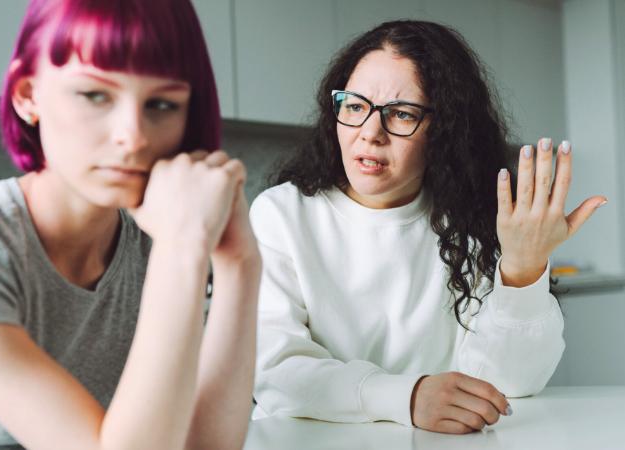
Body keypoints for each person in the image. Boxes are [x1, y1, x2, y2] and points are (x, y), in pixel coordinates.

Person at [0, 1, 261, 448]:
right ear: (28, 95)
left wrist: (240, 262)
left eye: (162, 103)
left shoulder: (154, 248)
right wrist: (184, 250)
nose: (133, 135)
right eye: (94, 95)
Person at [249, 20, 605, 435]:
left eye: (401, 114)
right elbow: (274, 369)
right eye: (354, 105)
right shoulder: (281, 214)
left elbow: (509, 385)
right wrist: (408, 396)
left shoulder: (472, 218)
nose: (369, 133)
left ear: (445, 131)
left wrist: (524, 269)